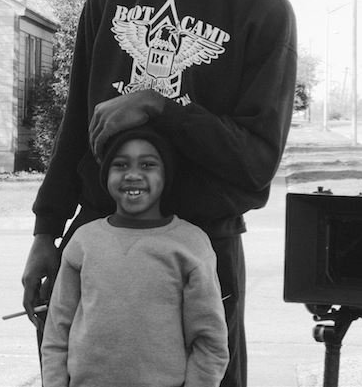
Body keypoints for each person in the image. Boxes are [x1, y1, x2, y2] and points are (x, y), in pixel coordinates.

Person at [21, 0, 298, 387]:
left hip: (201, 248)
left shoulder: (263, 9)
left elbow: (255, 163)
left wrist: (157, 107)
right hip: (102, 236)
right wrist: (47, 231)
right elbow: (77, 120)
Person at [40, 127, 229, 387]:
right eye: (120, 165)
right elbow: (56, 333)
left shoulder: (191, 244)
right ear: (105, 175)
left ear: (166, 175)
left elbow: (210, 342)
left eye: (148, 164)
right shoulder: (84, 241)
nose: (132, 174)